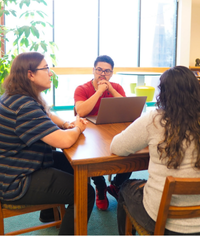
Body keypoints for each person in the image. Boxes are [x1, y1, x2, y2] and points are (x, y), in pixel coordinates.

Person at [0, 52, 95, 235]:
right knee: (85, 191)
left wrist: (66, 124)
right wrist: (77, 129)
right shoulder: (24, 106)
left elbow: (45, 114)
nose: (50, 73)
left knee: (79, 169)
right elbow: (65, 141)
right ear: (30, 74)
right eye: (46, 68)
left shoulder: (17, 97)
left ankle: (48, 214)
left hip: (16, 165)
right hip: (15, 181)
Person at [110, 66, 200, 235]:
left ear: (164, 92)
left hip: (163, 219)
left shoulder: (155, 119)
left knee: (124, 188)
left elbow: (117, 147)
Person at [74, 55, 131, 211]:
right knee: (90, 156)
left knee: (132, 150)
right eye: (99, 70)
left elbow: (127, 108)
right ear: (93, 70)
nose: (102, 74)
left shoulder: (116, 87)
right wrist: (99, 92)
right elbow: (81, 111)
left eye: (107, 71)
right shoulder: (82, 89)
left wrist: (111, 89)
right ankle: (100, 185)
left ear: (112, 73)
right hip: (89, 133)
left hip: (113, 131)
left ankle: (116, 185)